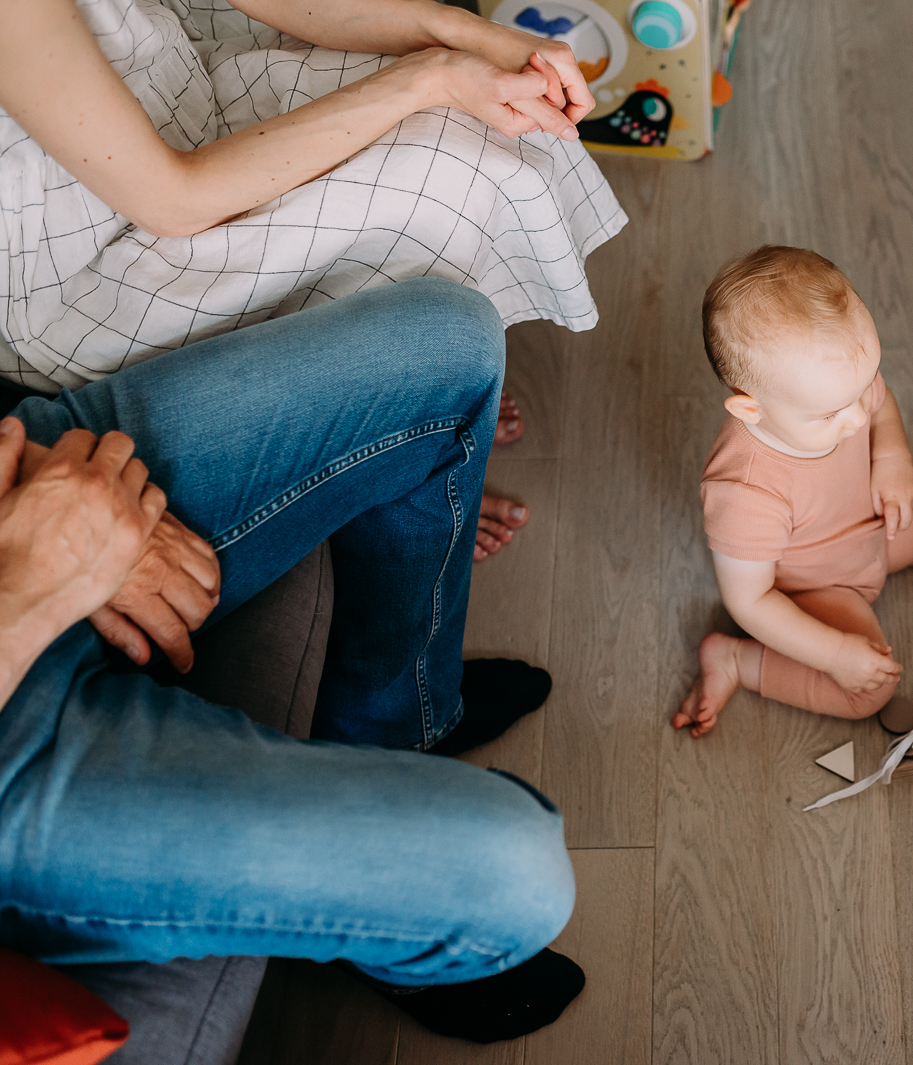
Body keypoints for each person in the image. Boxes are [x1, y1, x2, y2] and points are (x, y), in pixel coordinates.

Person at [0, 278, 581, 1043]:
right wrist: (38, 580)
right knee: (517, 871)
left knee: (453, 341)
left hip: (20, 489)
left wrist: (48, 497)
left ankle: (397, 725)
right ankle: (380, 930)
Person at [0, 0, 628, 561]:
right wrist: (431, 74)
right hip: (94, 265)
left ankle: (424, 427)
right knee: (451, 165)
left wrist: (465, 33)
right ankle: (417, 434)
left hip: (177, 81)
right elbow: (176, 200)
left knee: (491, 125)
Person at [674, 247, 913, 737]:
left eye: (860, 387)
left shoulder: (838, 387)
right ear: (751, 410)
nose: (856, 419)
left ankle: (884, 537)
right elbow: (750, 601)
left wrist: (892, 457)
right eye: (831, 414)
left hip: (869, 525)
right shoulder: (744, 490)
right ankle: (735, 660)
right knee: (869, 689)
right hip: (816, 584)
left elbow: (879, 399)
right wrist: (834, 653)